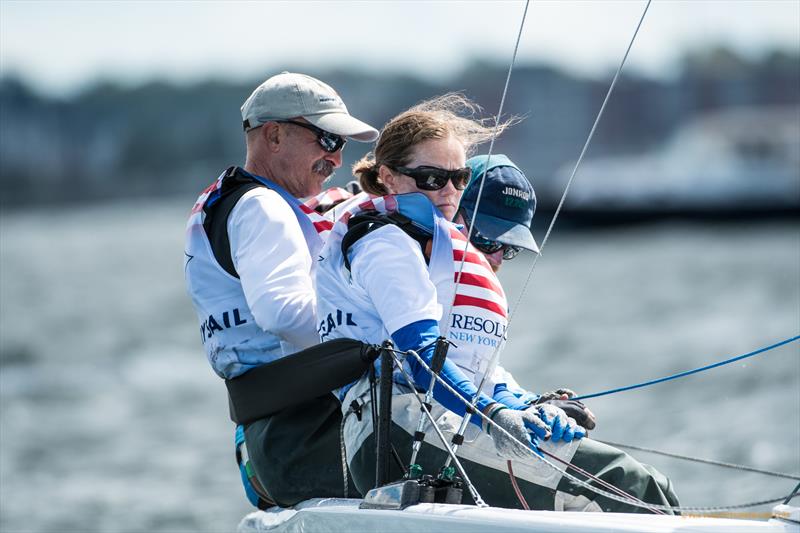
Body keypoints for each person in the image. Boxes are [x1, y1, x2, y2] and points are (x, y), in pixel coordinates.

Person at [315, 95, 679, 512]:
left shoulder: (424, 243)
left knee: (645, 485)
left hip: (423, 422)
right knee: (629, 485)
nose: (448, 191)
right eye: (432, 178)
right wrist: (493, 414)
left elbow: (470, 367)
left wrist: (527, 408)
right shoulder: (385, 242)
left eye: (459, 178)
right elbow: (419, 353)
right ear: (389, 176)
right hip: (400, 429)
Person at [184, 72, 378, 508]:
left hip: (267, 439)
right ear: (273, 135)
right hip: (303, 433)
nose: (338, 158)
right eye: (327, 140)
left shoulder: (226, 198)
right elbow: (285, 314)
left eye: (343, 145)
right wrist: (384, 337)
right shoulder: (263, 208)